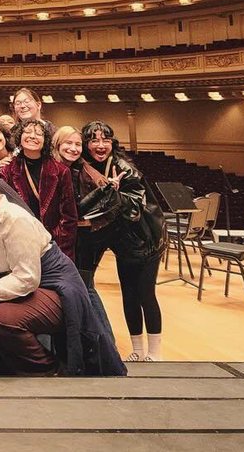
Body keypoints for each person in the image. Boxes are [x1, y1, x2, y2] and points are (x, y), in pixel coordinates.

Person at [0, 160, 125, 377]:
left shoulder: (14, 218)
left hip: (55, 286)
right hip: (21, 282)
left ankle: (48, 371)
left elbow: (27, 278)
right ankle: (2, 368)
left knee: (3, 318)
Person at [82, 120, 166, 363]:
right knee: (128, 294)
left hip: (146, 239)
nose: (100, 145)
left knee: (145, 294)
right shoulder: (90, 168)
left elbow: (135, 207)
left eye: (105, 140)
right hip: (125, 242)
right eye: (94, 140)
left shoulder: (123, 167)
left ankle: (155, 352)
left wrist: (113, 192)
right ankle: (137, 350)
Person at [54, 125, 116, 338]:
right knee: (81, 287)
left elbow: (76, 209)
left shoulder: (79, 171)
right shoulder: (60, 169)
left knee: (86, 287)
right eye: (68, 143)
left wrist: (104, 191)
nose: (73, 148)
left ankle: (105, 341)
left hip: (84, 237)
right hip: (74, 236)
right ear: (57, 145)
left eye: (77, 144)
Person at [0, 117, 78, 260]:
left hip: (54, 244)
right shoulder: (7, 171)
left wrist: (61, 247)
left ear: (45, 140)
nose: (32, 136)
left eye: (39, 133)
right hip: (20, 243)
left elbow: (69, 216)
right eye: (27, 132)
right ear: (20, 137)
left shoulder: (61, 171)